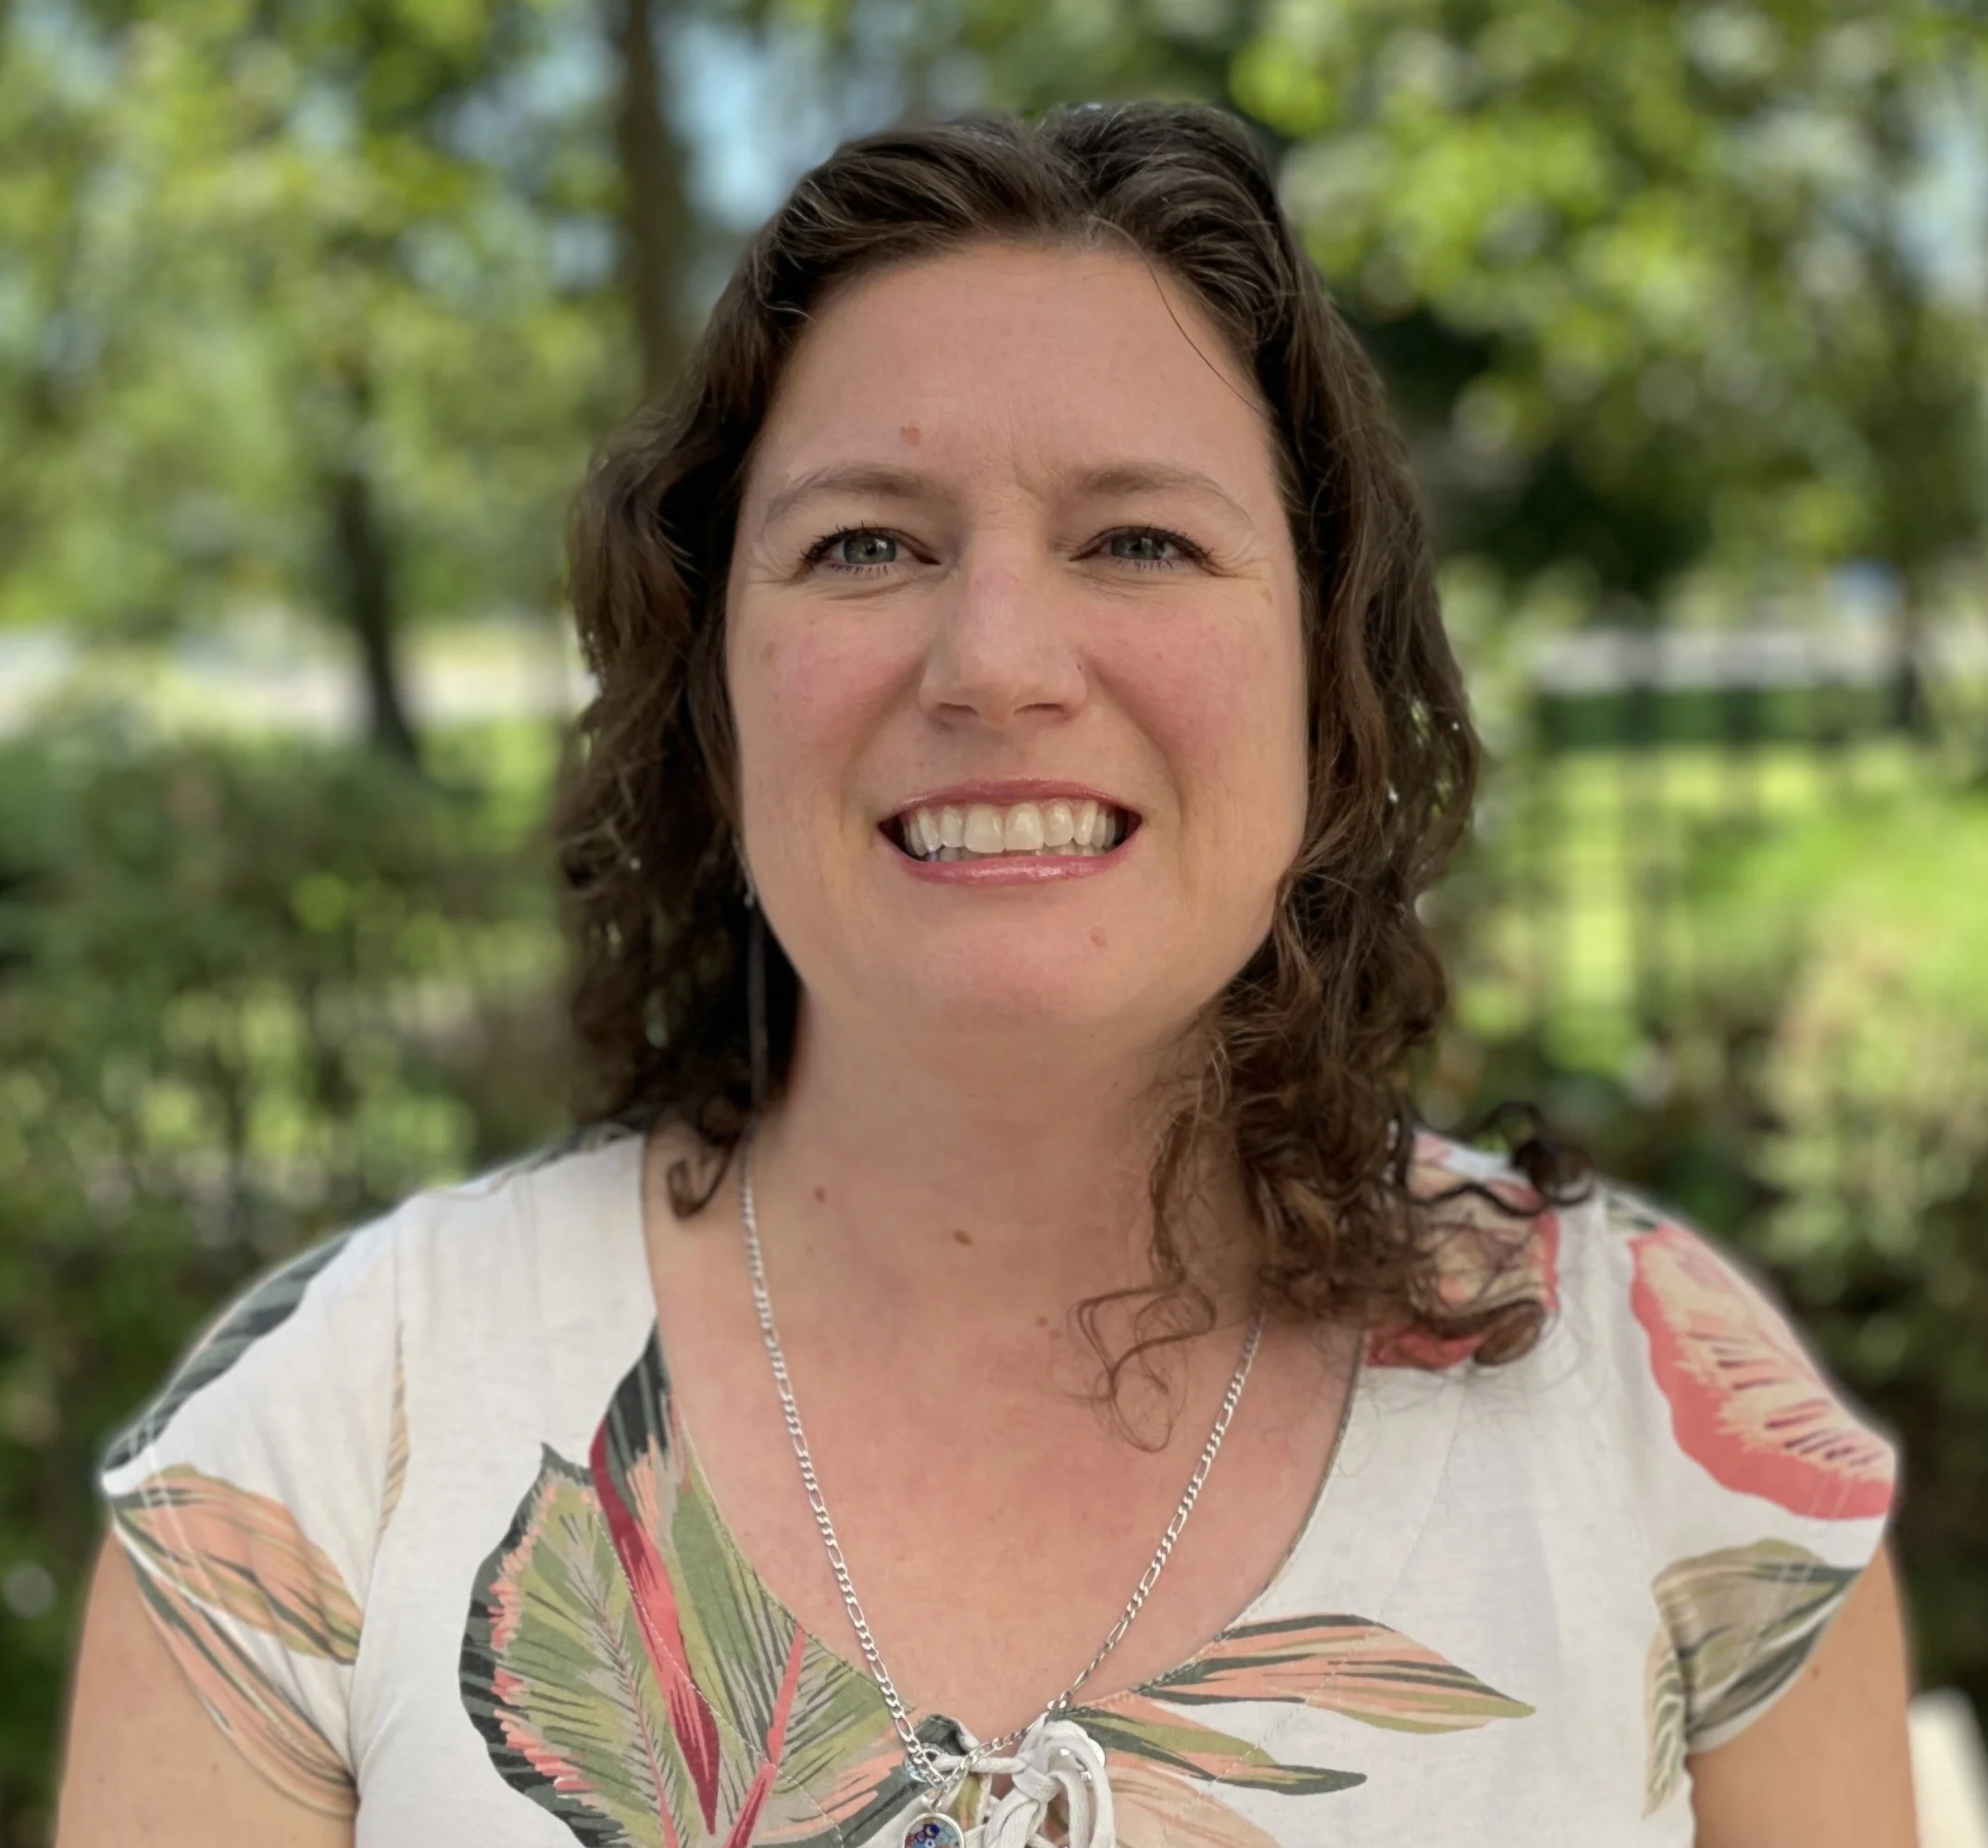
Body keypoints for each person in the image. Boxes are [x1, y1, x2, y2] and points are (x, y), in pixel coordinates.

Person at [55, 102, 1915, 1848]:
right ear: (711, 694)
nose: (995, 659)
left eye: (1137, 538)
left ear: (1322, 682)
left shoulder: (1664, 1434)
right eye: (865, 542)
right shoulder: (326, 1443)